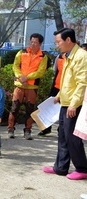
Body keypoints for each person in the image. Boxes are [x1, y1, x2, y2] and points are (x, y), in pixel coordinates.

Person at [43, 28, 87, 180]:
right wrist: (59, 95)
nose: (57, 45)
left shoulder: (81, 56)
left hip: (74, 104)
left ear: (68, 40)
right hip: (65, 102)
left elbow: (82, 83)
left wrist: (74, 104)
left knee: (72, 137)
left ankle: (82, 168)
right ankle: (61, 167)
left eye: (58, 42)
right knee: (62, 135)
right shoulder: (67, 55)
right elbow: (67, 81)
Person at [7, 33, 48, 140]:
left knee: (30, 110)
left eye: (35, 42)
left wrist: (27, 78)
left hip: (32, 87)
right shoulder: (21, 52)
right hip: (19, 86)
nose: (33, 44)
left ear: (40, 44)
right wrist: (21, 77)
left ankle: (27, 130)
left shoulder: (43, 57)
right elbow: (15, 66)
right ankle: (10, 128)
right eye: (31, 42)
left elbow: (40, 72)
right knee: (14, 108)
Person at [37, 52, 65, 136]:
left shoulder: (76, 58)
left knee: (64, 109)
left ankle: (61, 129)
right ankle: (46, 128)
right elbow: (55, 70)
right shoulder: (59, 57)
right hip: (57, 86)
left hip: (67, 88)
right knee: (50, 108)